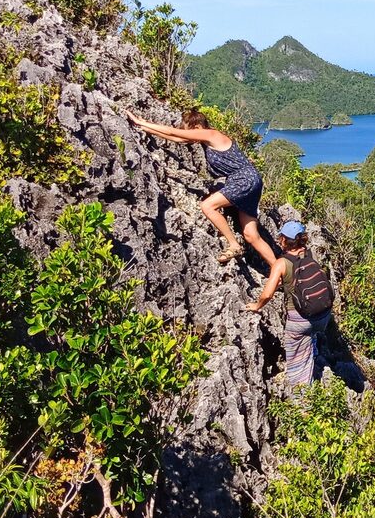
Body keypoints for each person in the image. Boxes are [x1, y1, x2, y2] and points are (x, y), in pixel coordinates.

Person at [127, 109, 275, 267]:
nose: (187, 134)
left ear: (197, 127)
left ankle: (233, 245)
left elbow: (173, 131)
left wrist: (140, 121)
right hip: (252, 180)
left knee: (208, 206)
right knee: (251, 235)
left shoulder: (211, 135)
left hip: (243, 179)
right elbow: (176, 138)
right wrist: (145, 129)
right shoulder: (207, 140)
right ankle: (278, 269)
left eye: (188, 130)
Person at [252, 220, 336, 386]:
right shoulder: (308, 253)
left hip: (301, 320)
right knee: (310, 336)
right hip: (323, 316)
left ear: (283, 240)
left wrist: (256, 306)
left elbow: (268, 293)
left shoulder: (281, 264)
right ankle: (312, 351)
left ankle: (301, 400)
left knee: (298, 362)